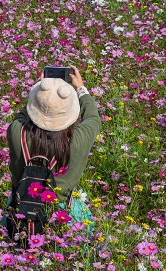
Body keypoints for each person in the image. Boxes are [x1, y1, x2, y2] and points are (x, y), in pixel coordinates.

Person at [5, 67, 101, 236]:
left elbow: (24, 112)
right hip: (64, 214)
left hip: (20, 210)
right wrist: (80, 89)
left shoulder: (17, 132)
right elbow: (93, 118)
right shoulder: (78, 140)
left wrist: (41, 91)